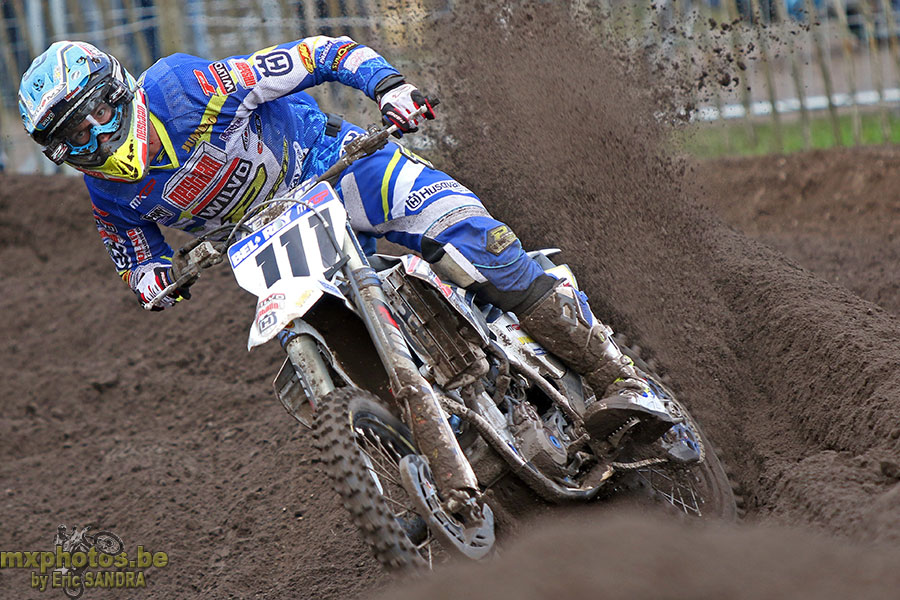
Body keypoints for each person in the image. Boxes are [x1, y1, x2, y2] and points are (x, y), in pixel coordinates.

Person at [18, 38, 669, 442]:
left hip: (338, 168)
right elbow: (131, 245)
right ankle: (412, 460)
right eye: (72, 137)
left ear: (118, 91)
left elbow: (317, 54)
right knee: (326, 343)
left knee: (476, 244)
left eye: (94, 115)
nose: (92, 138)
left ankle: (619, 378)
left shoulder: (184, 88)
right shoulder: (106, 192)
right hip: (264, 238)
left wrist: (387, 86)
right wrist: (151, 278)